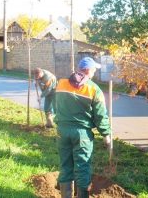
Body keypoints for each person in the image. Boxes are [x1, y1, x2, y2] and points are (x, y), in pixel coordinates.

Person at [54, 57, 111, 198]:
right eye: (94, 70)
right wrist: (106, 135)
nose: (94, 73)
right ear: (89, 70)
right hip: (82, 134)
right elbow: (100, 115)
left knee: (66, 165)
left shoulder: (61, 83)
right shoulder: (93, 89)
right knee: (82, 167)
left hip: (62, 130)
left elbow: (57, 105)